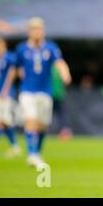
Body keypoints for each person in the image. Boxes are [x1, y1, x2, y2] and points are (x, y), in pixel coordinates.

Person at [16, 17, 71, 168]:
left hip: (45, 91)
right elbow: (16, 66)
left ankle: (37, 152)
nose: (37, 32)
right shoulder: (22, 49)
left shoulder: (50, 48)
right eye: (34, 29)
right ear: (29, 32)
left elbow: (59, 62)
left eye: (39, 29)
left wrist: (65, 73)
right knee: (30, 120)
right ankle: (32, 153)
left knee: (42, 125)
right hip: (27, 90)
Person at [51, 64, 72, 140]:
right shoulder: (61, 66)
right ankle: (65, 132)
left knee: (60, 114)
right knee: (61, 114)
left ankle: (37, 133)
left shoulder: (48, 65)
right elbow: (67, 80)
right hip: (58, 94)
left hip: (50, 94)